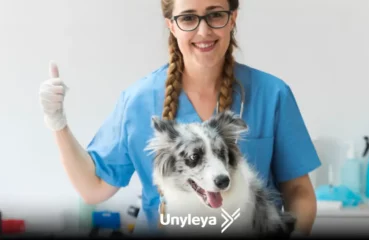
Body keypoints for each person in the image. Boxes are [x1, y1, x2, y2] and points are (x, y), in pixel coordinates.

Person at [39, 0, 321, 236]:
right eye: (188, 18)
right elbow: (94, 189)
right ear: (171, 24)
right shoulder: (138, 102)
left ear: (232, 17)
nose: (203, 30)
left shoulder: (272, 95)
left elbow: (299, 191)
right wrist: (57, 123)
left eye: (215, 15)